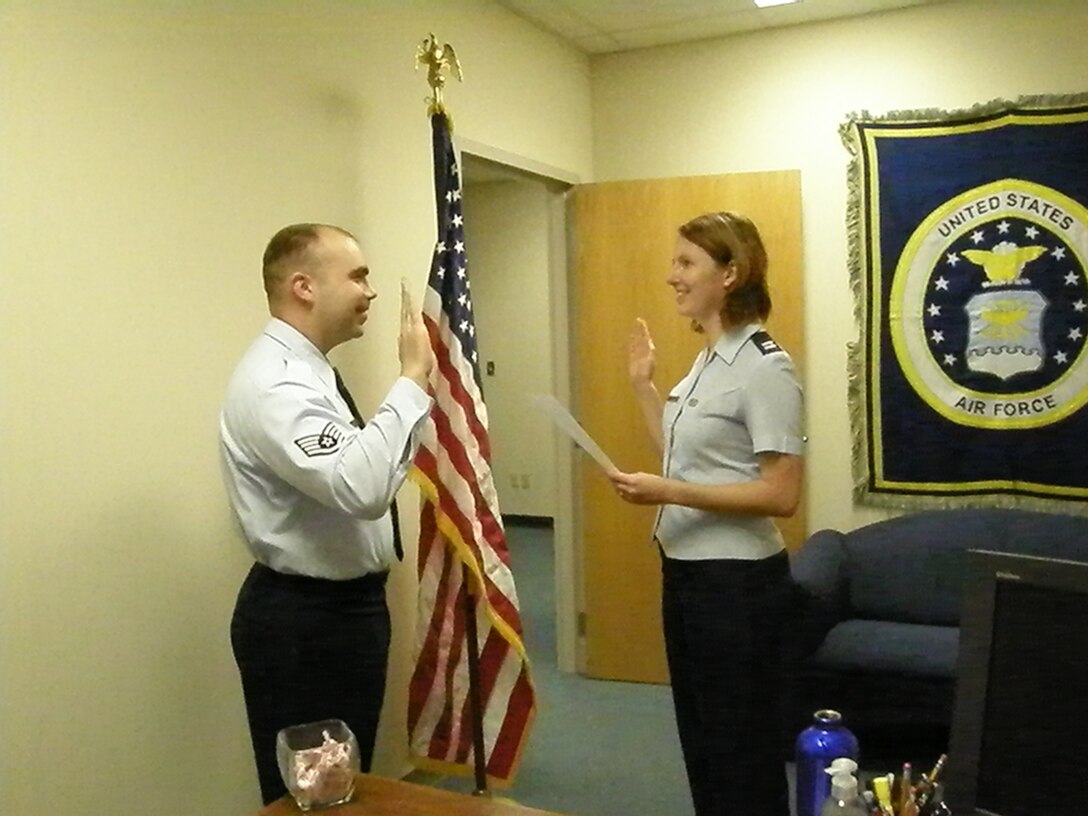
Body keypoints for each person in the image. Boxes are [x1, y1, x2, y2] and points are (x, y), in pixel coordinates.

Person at [219, 223, 434, 804]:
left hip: (340, 613)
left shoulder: (308, 369)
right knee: (312, 797)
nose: (370, 291)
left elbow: (368, 470)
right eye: (358, 276)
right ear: (304, 287)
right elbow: (363, 486)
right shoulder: (278, 384)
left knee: (338, 788)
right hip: (305, 624)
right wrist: (412, 379)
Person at [608, 211, 804, 816]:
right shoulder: (705, 362)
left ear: (731, 274)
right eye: (674, 261)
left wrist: (668, 493)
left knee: (741, 748)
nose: (672, 276)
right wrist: (644, 385)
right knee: (703, 741)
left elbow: (781, 494)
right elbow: (680, 457)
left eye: (686, 263)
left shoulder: (765, 365)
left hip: (737, 585)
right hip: (688, 573)